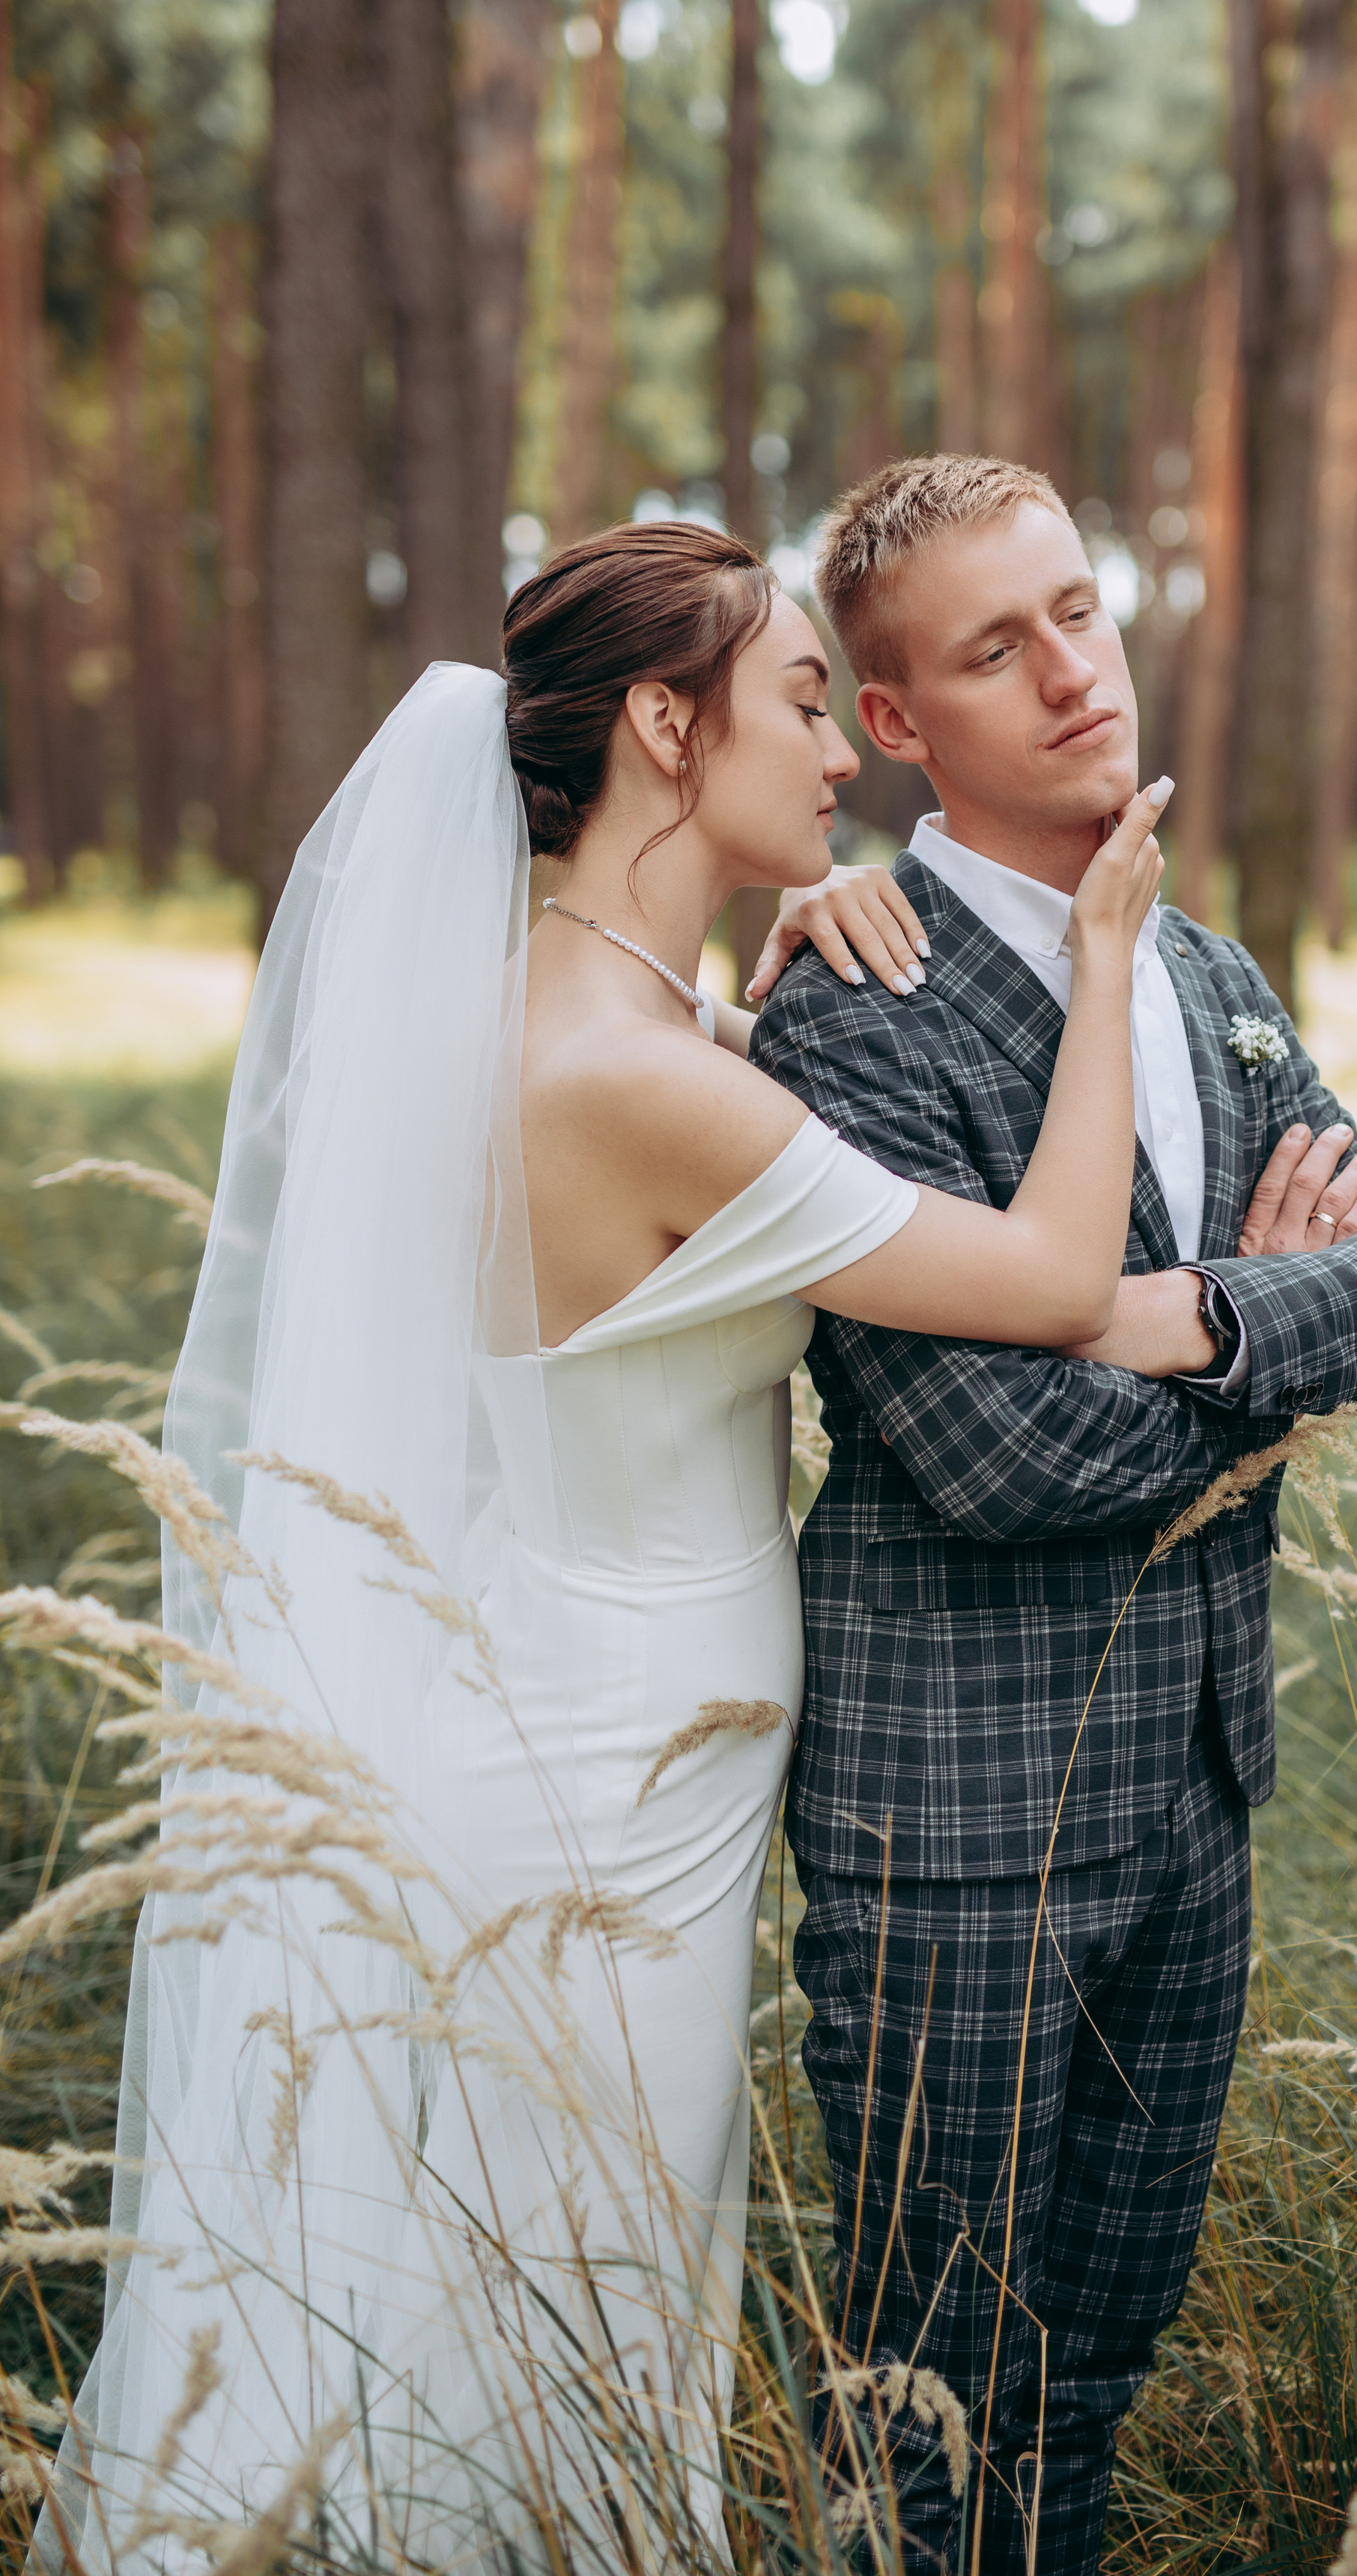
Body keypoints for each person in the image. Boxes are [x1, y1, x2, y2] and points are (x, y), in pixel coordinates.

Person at [40, 519, 1171, 2573]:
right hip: (603, 1815)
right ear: (668, 724)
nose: (842, 758)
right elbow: (1060, 1267)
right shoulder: (639, 1083)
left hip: (576, 1741)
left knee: (530, 2313)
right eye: (804, 703)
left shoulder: (593, 1032)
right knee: (571, 2336)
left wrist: (785, 974)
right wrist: (1099, 957)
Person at [750, 454, 1357, 2576]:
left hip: (1192, 1789)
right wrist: (1276, 1350)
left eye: (1081, 608)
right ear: (897, 726)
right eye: (999, 647)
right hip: (958, 1826)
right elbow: (1000, 1464)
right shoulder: (846, 1014)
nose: (1078, 673)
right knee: (928, 2410)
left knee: (1093, 2384)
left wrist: (1164, 1315)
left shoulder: (1203, 965)